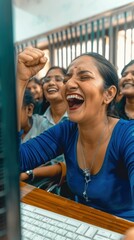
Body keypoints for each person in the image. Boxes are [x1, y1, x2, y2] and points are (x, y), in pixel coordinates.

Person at [17, 47, 134, 221]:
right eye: (67, 78)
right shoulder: (67, 130)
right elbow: (13, 161)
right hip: (79, 224)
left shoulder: (127, 135)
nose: (69, 84)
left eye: (84, 77)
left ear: (108, 94)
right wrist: (19, 81)